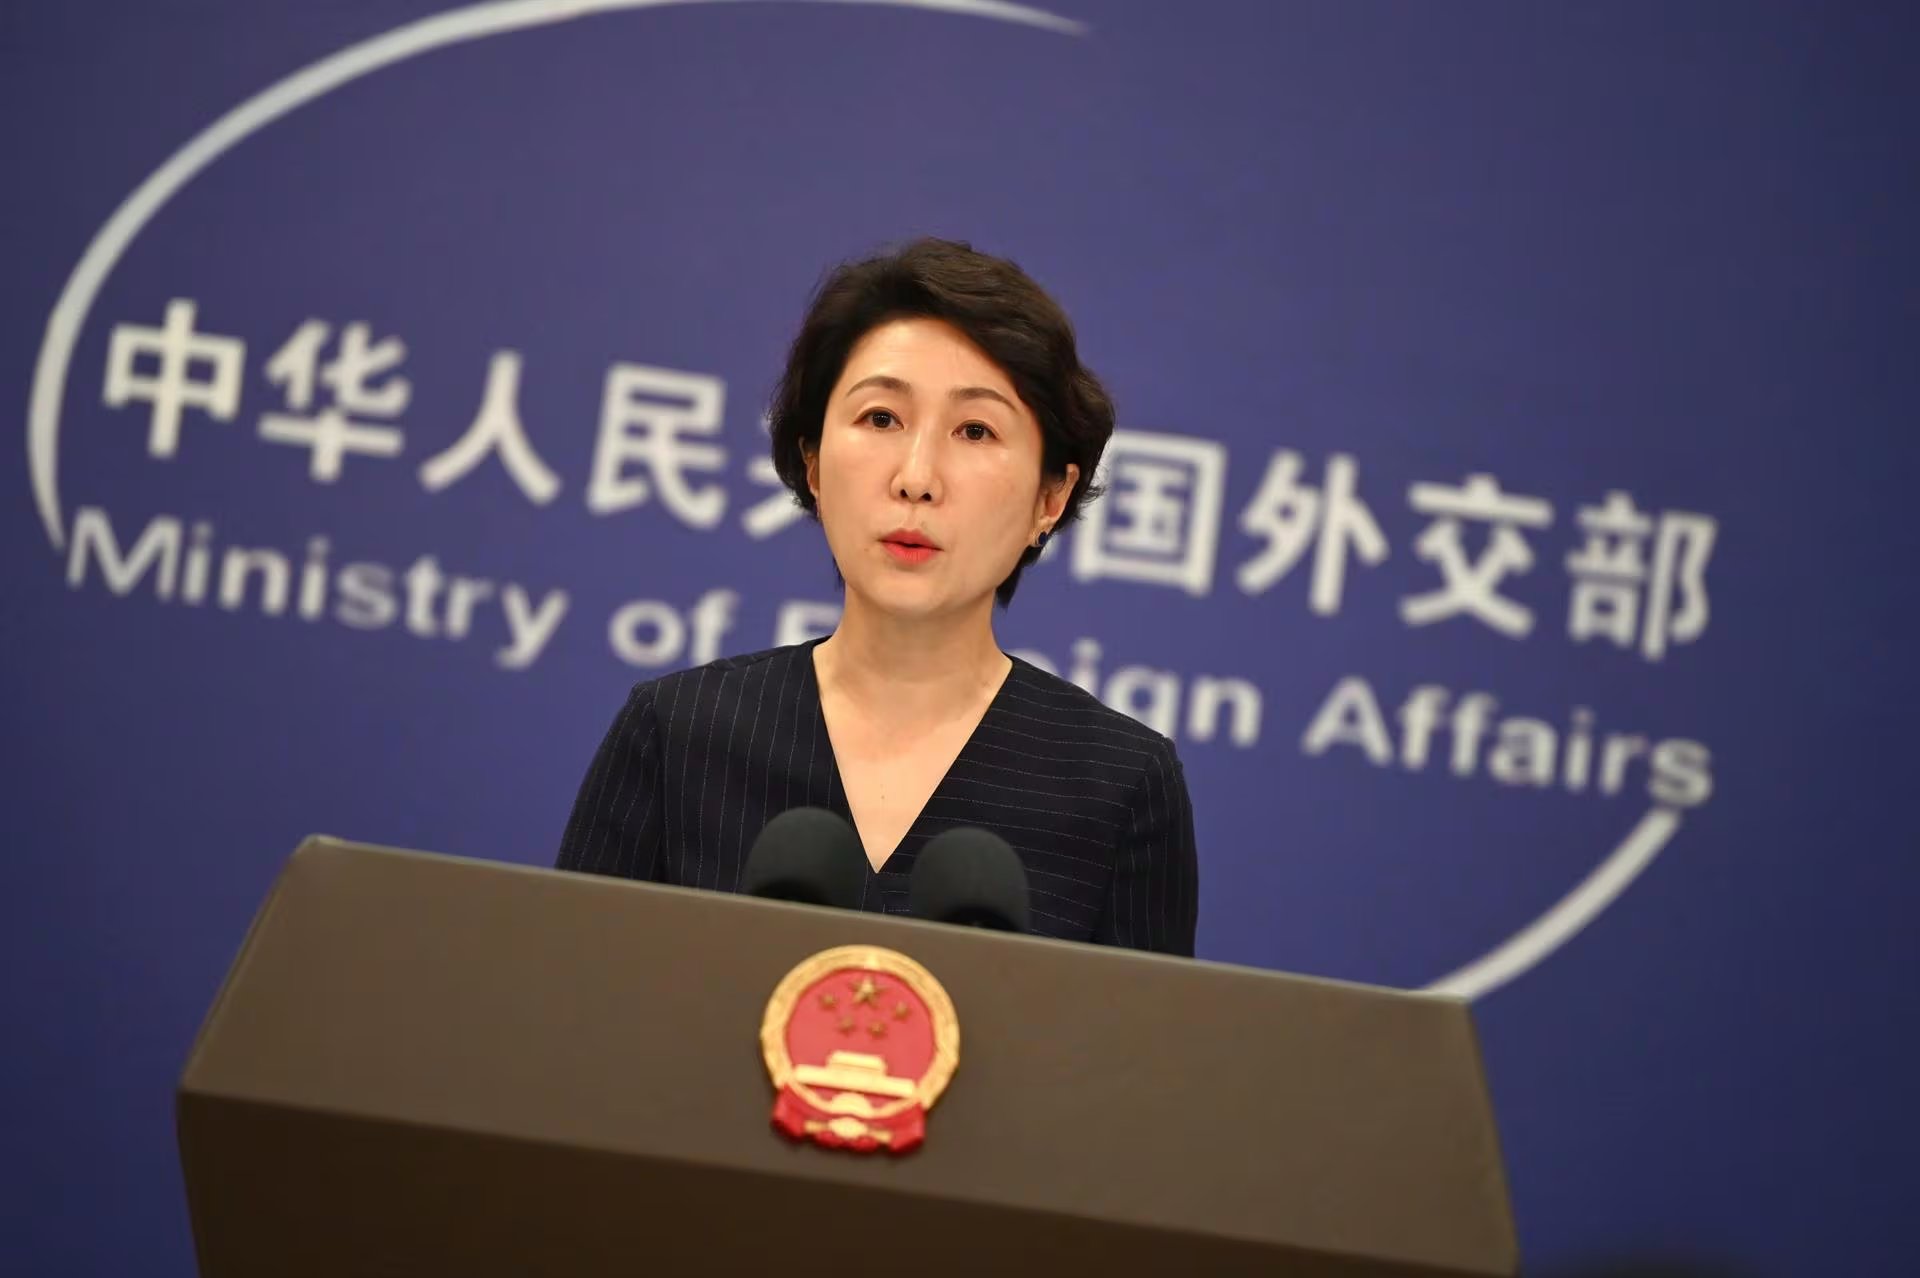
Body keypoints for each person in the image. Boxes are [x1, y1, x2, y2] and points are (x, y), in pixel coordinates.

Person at [556, 238, 1198, 955]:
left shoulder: (1118, 785)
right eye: (881, 419)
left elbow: (1143, 1031)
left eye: (975, 430)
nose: (916, 478)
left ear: (1051, 497)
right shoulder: (677, 735)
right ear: (813, 464)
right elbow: (566, 1003)